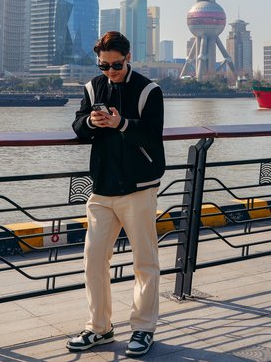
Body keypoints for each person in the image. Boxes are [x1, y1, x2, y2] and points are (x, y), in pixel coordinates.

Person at [67, 31, 165, 358]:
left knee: (145, 261)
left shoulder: (149, 90)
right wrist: (92, 122)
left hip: (139, 188)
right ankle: (99, 328)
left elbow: (152, 137)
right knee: (94, 259)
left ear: (128, 57)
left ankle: (143, 328)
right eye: (104, 65)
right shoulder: (93, 87)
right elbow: (78, 127)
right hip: (102, 189)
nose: (111, 71)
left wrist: (121, 123)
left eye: (116, 65)